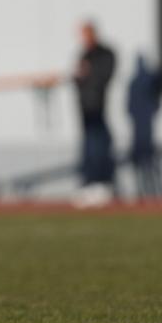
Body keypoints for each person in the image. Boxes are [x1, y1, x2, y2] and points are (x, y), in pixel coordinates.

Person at [73, 21, 117, 207]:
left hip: (97, 107)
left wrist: (87, 74)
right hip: (85, 108)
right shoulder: (84, 54)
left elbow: (102, 77)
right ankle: (89, 184)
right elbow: (79, 79)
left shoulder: (105, 54)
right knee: (88, 147)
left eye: (85, 34)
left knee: (98, 146)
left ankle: (101, 184)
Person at [127, 53, 162, 200]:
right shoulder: (141, 80)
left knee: (146, 162)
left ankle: (149, 193)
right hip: (141, 127)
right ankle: (148, 193)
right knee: (145, 162)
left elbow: (129, 105)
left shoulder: (139, 81)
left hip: (143, 128)